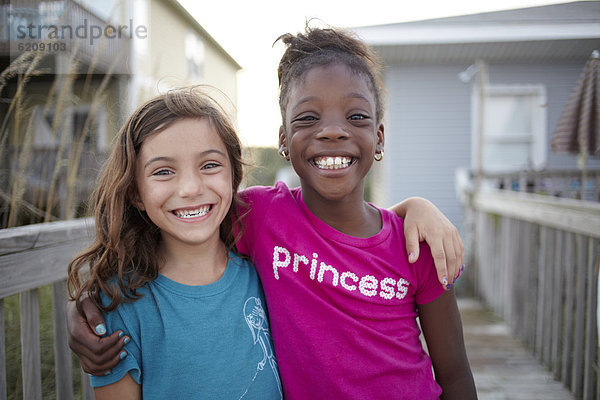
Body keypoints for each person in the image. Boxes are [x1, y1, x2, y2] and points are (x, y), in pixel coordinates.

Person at [67, 26, 471, 398]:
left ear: (379, 136)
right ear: (284, 139)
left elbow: (454, 375)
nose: (332, 131)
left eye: (357, 116)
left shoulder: (418, 244)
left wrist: (418, 207)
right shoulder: (261, 216)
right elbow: (179, 216)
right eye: (308, 118)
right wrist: (87, 307)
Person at [67, 87, 283, 399]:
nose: (191, 188)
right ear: (136, 193)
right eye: (163, 171)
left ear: (233, 175)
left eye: (209, 165)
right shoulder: (120, 307)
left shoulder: (268, 273)